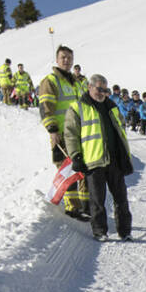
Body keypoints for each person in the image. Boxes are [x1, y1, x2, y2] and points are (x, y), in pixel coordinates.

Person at [62, 74, 133, 241]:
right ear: (89, 87)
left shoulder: (111, 106)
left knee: (121, 198)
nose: (101, 93)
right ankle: (100, 231)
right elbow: (70, 134)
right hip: (93, 161)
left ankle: (125, 231)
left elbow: (121, 126)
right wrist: (76, 156)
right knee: (97, 200)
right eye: (98, 89)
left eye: (105, 90)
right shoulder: (78, 107)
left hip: (114, 160)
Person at [38, 46, 87, 219]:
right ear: (57, 60)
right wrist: (52, 130)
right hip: (62, 133)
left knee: (82, 168)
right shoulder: (51, 81)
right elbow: (45, 107)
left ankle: (84, 205)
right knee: (68, 169)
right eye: (63, 57)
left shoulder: (75, 82)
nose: (66, 60)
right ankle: (71, 207)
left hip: (78, 133)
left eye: (69, 58)